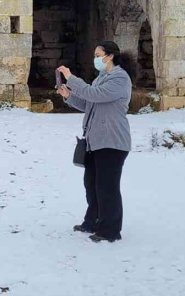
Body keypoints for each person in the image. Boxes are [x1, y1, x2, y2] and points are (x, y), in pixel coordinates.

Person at [56, 40, 137, 243]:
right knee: (91, 184)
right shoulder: (102, 77)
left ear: (109, 56)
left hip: (112, 141)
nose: (95, 58)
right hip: (95, 141)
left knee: (107, 187)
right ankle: (92, 221)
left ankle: (110, 230)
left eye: (98, 54)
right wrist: (68, 96)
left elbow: (95, 95)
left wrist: (71, 78)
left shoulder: (120, 78)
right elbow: (88, 103)